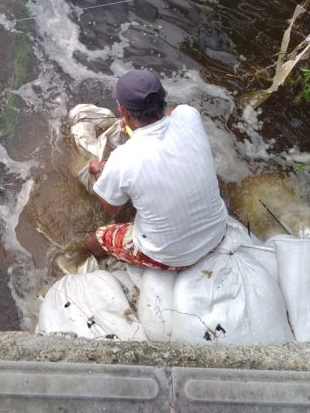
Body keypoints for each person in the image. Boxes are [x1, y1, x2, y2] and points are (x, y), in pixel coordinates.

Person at [83, 69, 227, 271]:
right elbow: (171, 114)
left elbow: (111, 207)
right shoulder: (189, 116)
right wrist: (135, 126)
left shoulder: (123, 159)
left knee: (96, 239)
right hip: (218, 231)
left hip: (174, 257)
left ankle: (81, 258)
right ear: (162, 100)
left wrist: (98, 171)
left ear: (123, 112)